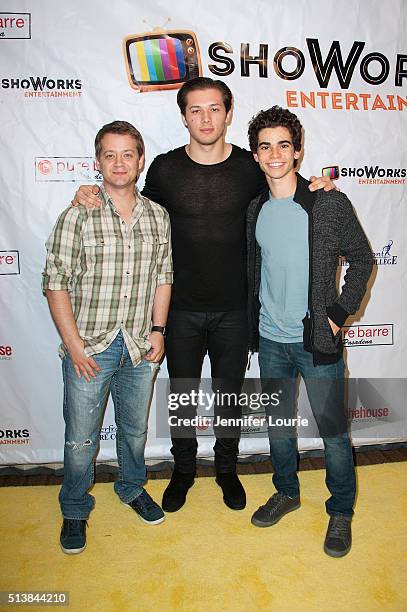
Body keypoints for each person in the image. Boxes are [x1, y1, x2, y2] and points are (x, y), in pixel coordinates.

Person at [72, 77, 336, 514]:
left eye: (214, 108)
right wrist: (92, 191)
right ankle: (183, 470)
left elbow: (285, 185)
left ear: (228, 113)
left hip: (237, 308)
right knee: (183, 395)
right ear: (183, 117)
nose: (206, 118)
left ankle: (227, 470)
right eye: (196, 110)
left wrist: (319, 188)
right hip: (180, 310)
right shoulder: (163, 168)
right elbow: (131, 205)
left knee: (229, 395)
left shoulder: (252, 168)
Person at [246, 106, 373, 557]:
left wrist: (339, 312)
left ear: (298, 151)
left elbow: (363, 258)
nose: (275, 154)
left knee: (333, 431)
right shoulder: (255, 209)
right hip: (270, 340)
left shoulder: (329, 202)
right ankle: (287, 491)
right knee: (279, 427)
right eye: (266, 146)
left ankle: (340, 510)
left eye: (284, 144)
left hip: (317, 341)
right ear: (256, 155)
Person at [42, 121, 172, 554]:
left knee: (134, 433)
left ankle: (131, 487)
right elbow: (55, 282)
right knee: (81, 440)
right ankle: (75, 507)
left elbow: (163, 277)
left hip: (139, 346)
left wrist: (159, 331)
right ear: (97, 162)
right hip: (90, 349)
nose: (120, 163)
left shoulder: (157, 215)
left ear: (141, 160)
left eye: (128, 154)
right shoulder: (77, 213)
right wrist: (74, 345)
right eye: (110, 155)